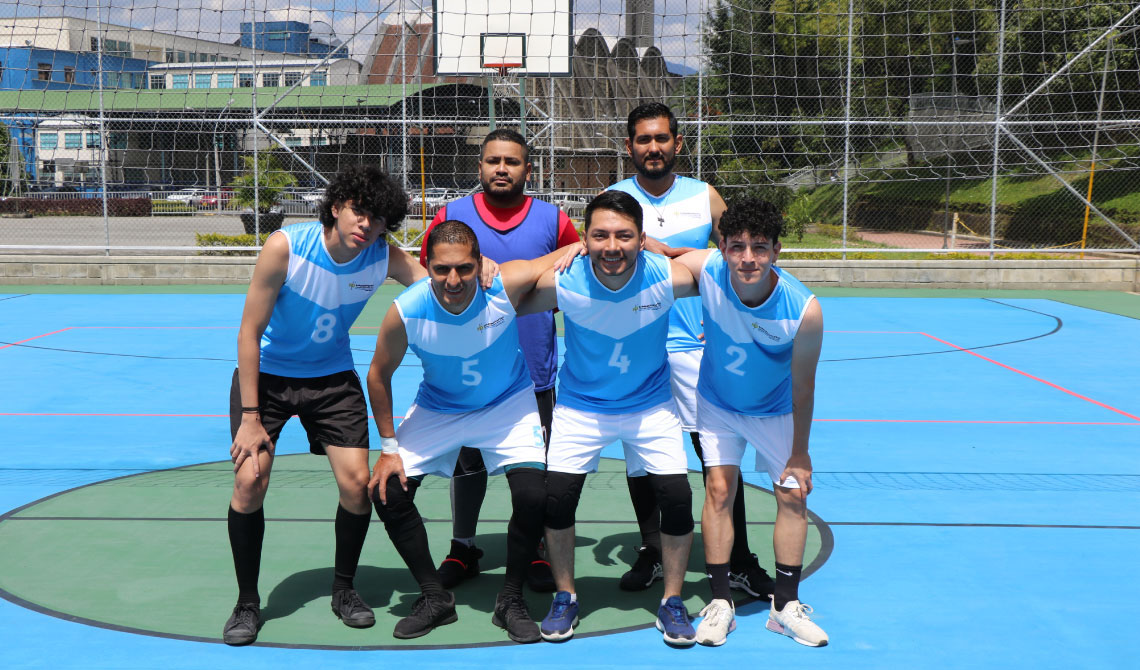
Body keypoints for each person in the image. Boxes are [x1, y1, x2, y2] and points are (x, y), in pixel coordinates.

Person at [222, 166, 428, 646]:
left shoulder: (382, 257)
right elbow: (248, 334)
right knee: (250, 478)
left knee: (358, 485)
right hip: (268, 378)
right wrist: (251, 418)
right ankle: (247, 603)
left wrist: (477, 268)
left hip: (331, 378)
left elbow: (438, 281)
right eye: (360, 212)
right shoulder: (287, 246)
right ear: (336, 206)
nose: (368, 227)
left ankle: (344, 589)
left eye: (379, 220)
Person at [365, 220, 569, 643]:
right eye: (441, 269)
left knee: (534, 495)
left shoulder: (504, 286)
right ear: (428, 266)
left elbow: (556, 258)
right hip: (440, 407)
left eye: (463, 268)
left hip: (507, 405)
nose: (452, 280)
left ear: (480, 264)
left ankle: (510, 599)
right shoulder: (407, 309)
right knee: (388, 490)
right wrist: (388, 448)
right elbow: (378, 375)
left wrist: (583, 246)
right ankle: (434, 596)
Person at [607, 102, 773, 599]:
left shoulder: (704, 197)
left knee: (716, 457)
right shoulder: (613, 199)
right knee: (643, 459)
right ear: (630, 145)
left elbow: (734, 260)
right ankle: (652, 550)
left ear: (678, 143)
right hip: (637, 350)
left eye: (661, 138)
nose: (652, 147)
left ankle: (740, 559)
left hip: (696, 348)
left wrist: (669, 250)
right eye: (643, 139)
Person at [519, 191, 700, 646]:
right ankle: (566, 597)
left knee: (676, 498)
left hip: (651, 404)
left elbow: (720, 264)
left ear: (641, 239)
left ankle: (672, 600)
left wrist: (670, 249)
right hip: (582, 406)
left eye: (624, 236)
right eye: (599, 235)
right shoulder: (565, 278)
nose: (611, 246)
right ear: (585, 239)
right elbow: (504, 285)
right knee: (556, 500)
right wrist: (560, 253)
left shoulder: (665, 274)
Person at [418, 129, 579, 592]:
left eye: (511, 161)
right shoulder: (452, 216)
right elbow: (422, 271)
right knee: (469, 465)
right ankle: (463, 545)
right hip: (469, 370)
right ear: (481, 167)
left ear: (528, 169)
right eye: (493, 161)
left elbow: (577, 267)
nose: (501, 169)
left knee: (532, 471)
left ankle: (537, 551)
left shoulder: (553, 219)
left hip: (533, 372)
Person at [671, 193, 828, 647]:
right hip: (717, 401)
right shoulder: (710, 270)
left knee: (793, 496)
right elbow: (669, 253)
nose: (748, 257)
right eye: (737, 246)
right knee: (719, 490)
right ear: (723, 248)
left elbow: (804, 388)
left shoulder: (803, 310)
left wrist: (800, 453)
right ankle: (721, 601)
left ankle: (785, 606)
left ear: (777, 250)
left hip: (774, 409)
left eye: (760, 246)